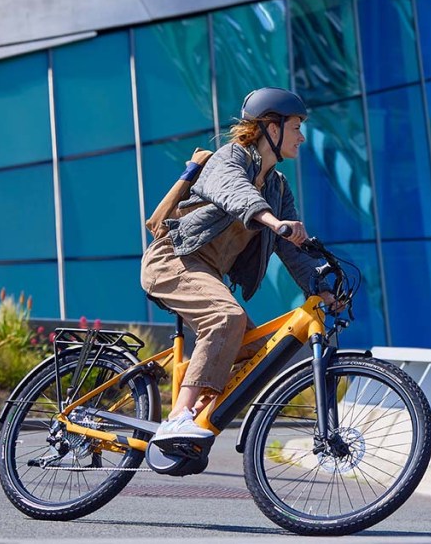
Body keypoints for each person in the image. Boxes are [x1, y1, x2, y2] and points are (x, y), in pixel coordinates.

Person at [141, 87, 330, 447]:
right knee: (225, 318)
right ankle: (178, 417)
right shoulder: (230, 158)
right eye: (296, 127)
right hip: (173, 260)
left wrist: (320, 285)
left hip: (207, 274)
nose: (302, 137)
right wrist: (273, 223)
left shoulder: (277, 186)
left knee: (254, 352)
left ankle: (199, 412)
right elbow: (234, 192)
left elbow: (292, 250)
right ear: (271, 129)